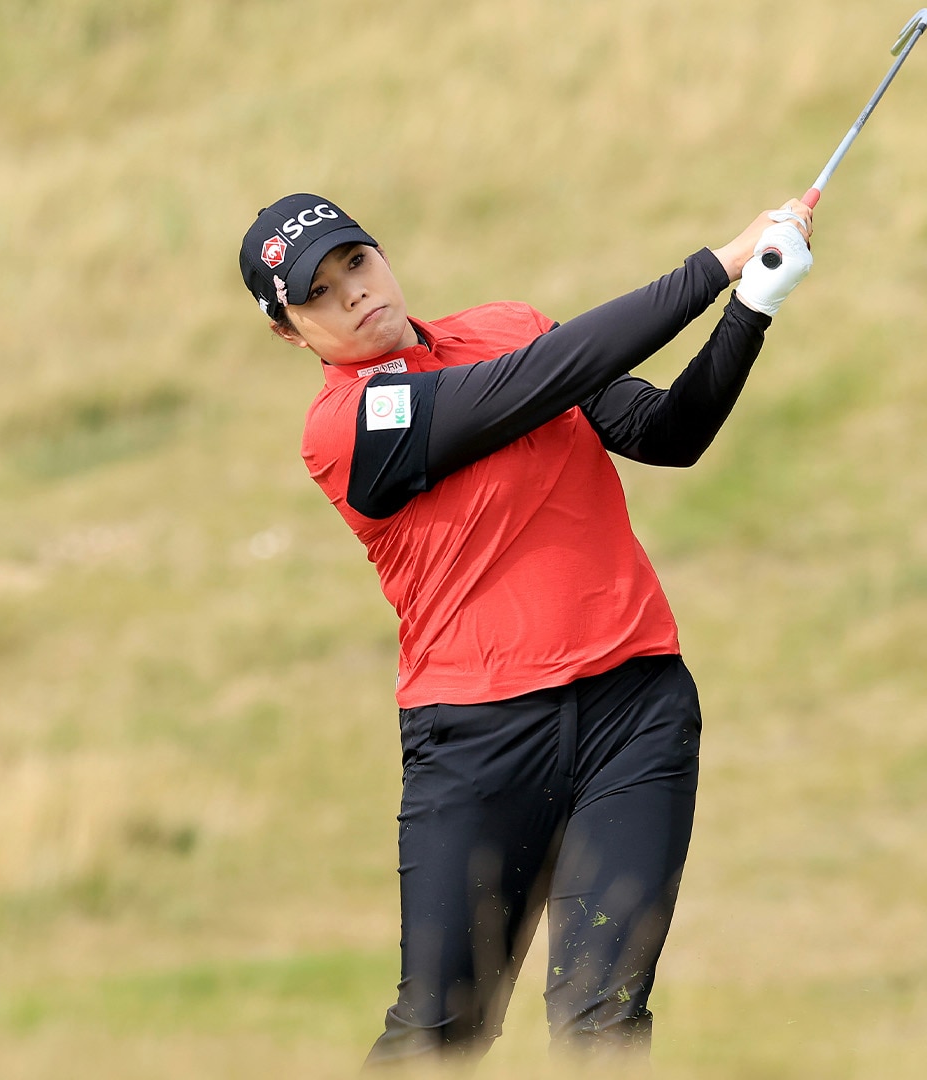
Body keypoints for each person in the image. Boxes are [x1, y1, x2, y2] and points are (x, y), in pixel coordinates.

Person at [237, 192, 814, 1066]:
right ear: (291, 332)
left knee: (603, 1019)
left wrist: (752, 307)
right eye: (318, 293)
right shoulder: (347, 426)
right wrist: (718, 263)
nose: (353, 292)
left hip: (634, 714)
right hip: (478, 745)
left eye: (355, 261)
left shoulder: (508, 328)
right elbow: (542, 379)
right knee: (442, 1031)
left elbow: (668, 432)